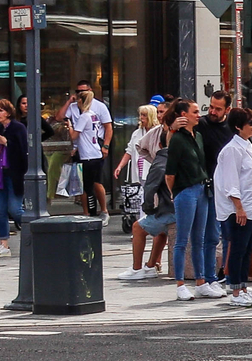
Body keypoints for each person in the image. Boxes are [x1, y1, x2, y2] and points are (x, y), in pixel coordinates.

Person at [165, 99, 222, 299]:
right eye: (195, 111)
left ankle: (201, 281)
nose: (199, 114)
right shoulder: (177, 139)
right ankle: (180, 283)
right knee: (182, 239)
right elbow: (170, 172)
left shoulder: (197, 135)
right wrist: (176, 192)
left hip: (201, 187)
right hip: (186, 190)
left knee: (200, 238)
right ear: (183, 115)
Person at [213, 106, 252, 305]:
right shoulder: (232, 149)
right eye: (250, 123)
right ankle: (235, 291)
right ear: (238, 126)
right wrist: (238, 207)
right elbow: (230, 182)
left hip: (251, 205)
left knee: (247, 248)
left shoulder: (247, 145)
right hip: (238, 209)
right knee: (238, 248)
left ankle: (242, 286)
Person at [122, 103, 174, 281]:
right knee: (159, 230)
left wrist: (149, 206)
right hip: (175, 204)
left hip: (171, 207)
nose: (160, 115)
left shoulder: (164, 156)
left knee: (138, 227)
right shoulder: (148, 136)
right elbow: (136, 147)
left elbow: (151, 188)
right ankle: (152, 264)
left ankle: (137, 268)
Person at [0, 97, 29, 255]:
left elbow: (23, 151)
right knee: (0, 210)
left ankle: (33, 229)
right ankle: (3, 244)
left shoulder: (18, 128)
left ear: (9, 112)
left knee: (15, 208)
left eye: (1, 110)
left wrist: (7, 144)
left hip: (14, 174)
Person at [66, 80, 113, 217]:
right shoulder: (92, 115)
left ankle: (93, 212)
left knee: (88, 186)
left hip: (88, 154)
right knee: (92, 183)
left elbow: (74, 135)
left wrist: (69, 126)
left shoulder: (84, 116)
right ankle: (89, 212)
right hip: (92, 151)